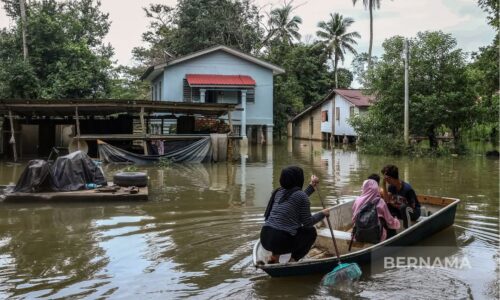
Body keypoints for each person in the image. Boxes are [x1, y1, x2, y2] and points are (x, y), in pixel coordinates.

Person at [260, 166, 329, 263]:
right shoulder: (301, 196)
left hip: (265, 238)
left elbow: (295, 198)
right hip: (281, 240)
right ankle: (293, 260)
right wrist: (322, 213)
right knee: (311, 232)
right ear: (298, 179)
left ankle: (274, 257)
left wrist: (311, 186)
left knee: (280, 229)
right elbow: (308, 223)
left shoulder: (278, 192)